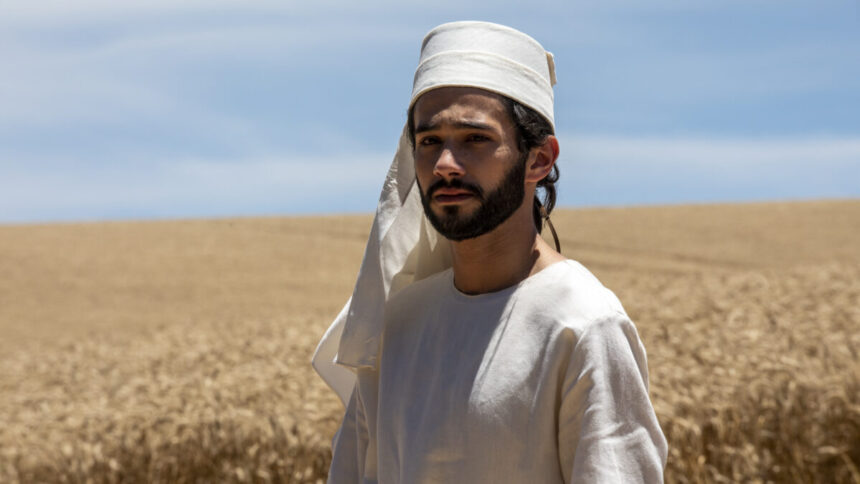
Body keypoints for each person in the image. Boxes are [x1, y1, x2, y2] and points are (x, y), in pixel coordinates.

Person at [312, 21, 668, 483]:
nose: (444, 164)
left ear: (539, 159)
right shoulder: (397, 327)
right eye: (429, 142)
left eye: (474, 139)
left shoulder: (582, 324)